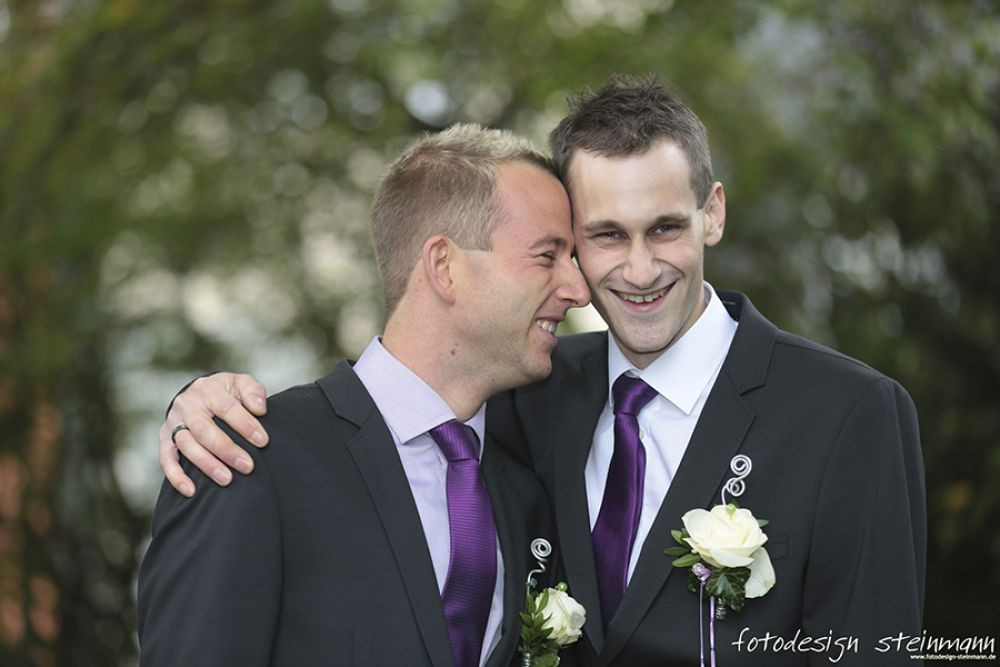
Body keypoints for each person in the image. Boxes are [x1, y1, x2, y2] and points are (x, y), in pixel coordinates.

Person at [156, 76, 926, 665]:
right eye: (592, 240)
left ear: (713, 214)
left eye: (664, 227)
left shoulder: (851, 415)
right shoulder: (533, 401)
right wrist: (196, 402)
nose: (635, 268)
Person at [137, 124, 590, 667]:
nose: (577, 289)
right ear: (444, 267)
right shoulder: (245, 456)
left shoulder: (528, 493)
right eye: (547, 256)